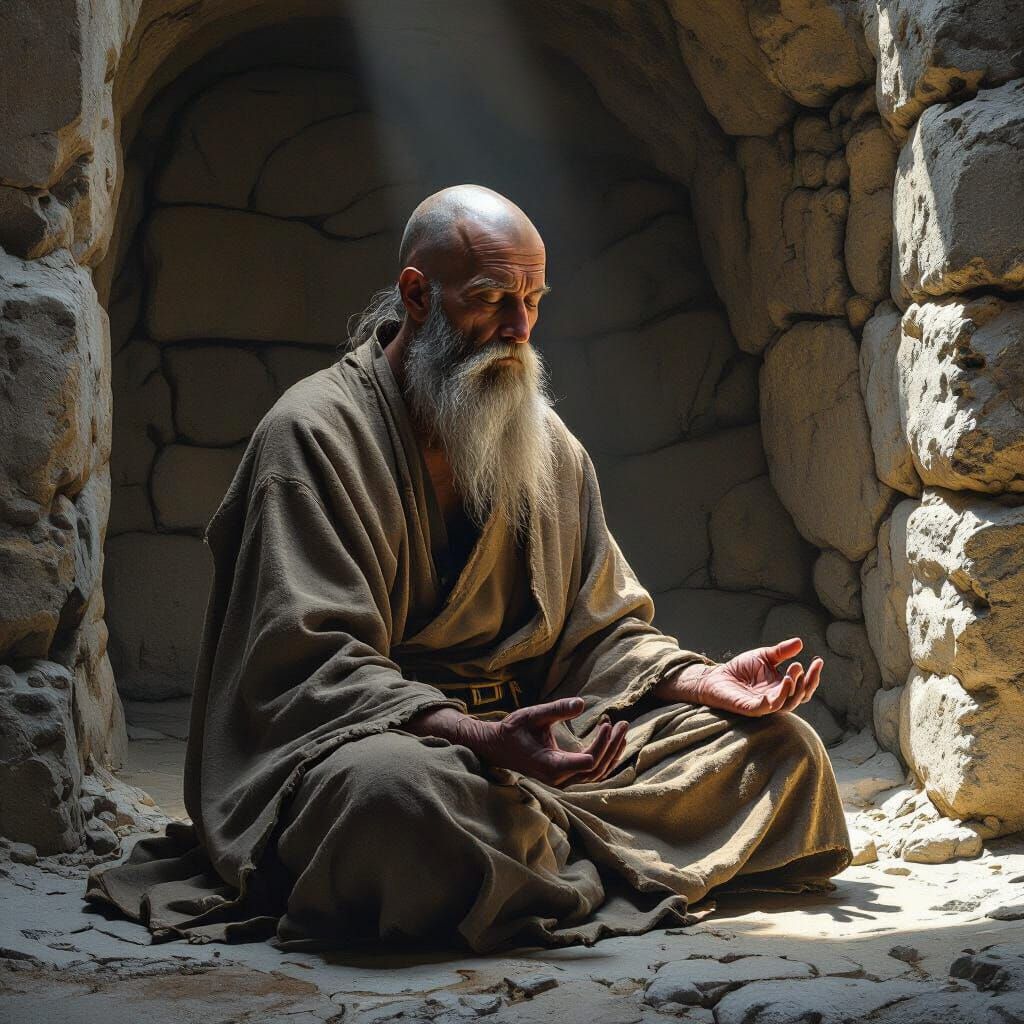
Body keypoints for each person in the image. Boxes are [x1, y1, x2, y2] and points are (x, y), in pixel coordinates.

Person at [87, 184, 851, 953]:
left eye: (534, 300)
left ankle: (524, 853)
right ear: (418, 295)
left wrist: (701, 682)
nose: (519, 329)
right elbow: (312, 664)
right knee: (393, 801)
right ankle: (568, 848)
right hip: (385, 743)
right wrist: (480, 738)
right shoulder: (312, 436)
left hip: (543, 743)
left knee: (780, 749)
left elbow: (601, 633)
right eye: (491, 300)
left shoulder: (549, 447)